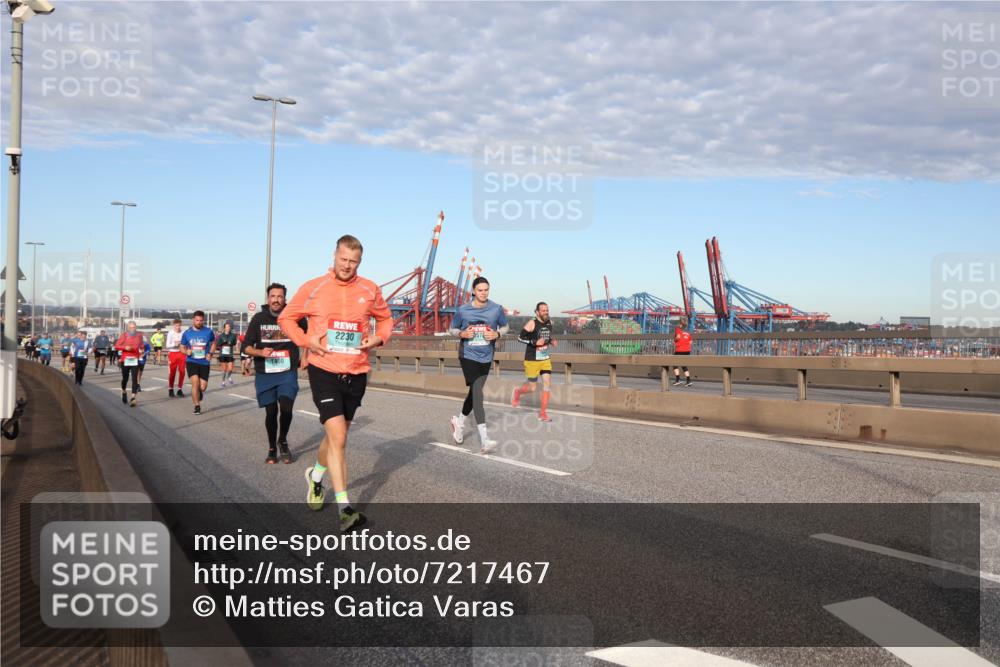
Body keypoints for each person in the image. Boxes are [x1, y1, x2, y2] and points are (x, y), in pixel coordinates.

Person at [278, 235, 392, 532]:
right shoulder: (314, 287)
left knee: (333, 438)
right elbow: (287, 318)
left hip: (356, 373)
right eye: (343, 259)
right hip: (323, 370)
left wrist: (378, 337)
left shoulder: (369, 289)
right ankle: (345, 509)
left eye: (353, 261)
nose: (347, 265)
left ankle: (315, 476)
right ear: (334, 256)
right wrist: (306, 340)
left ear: (360, 262)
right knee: (339, 437)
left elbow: (386, 320)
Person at [244, 283, 307, 464]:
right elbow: (246, 347)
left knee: (286, 408)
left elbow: (309, 337)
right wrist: (259, 352)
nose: (276, 300)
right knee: (271, 412)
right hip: (265, 372)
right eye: (273, 296)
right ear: (268, 299)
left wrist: (306, 355)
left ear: (284, 299)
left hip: (287, 371)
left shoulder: (295, 317)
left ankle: (283, 440)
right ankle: (272, 447)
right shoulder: (258, 319)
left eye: (280, 297)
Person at [448, 276, 509, 453]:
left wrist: (497, 334)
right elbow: (452, 328)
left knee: (473, 393)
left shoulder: (496, 309)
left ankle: (458, 422)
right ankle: (485, 440)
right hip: (468, 355)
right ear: (473, 291)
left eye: (486, 290)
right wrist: (462, 333)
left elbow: (505, 327)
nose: (483, 293)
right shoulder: (463, 310)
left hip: (486, 356)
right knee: (478, 393)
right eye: (480, 290)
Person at [512, 302, 557, 421]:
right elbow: (520, 338)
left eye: (547, 310)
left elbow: (546, 336)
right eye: (543, 310)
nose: (546, 312)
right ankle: (518, 392)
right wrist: (534, 342)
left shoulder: (549, 323)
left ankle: (543, 414)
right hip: (532, 360)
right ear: (537, 312)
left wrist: (551, 341)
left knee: (547, 384)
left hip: (545, 358)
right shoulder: (532, 323)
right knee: (532, 388)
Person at [180, 310, 216, 415]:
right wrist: (186, 351)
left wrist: (210, 353)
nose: (199, 322)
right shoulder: (187, 333)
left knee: (203, 387)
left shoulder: (208, 331)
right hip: (191, 361)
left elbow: (214, 343)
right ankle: (197, 406)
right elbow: (181, 347)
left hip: (204, 362)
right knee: (195, 383)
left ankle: (199, 392)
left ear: (203, 320)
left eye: (201, 320)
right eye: (197, 320)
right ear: (193, 320)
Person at [114, 321, 144, 407]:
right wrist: (125, 347)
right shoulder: (124, 335)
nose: (132, 329)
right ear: (128, 328)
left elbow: (141, 344)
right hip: (125, 359)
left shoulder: (139, 335)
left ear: (136, 327)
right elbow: (116, 346)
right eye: (131, 327)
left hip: (135, 359)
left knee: (135, 378)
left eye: (134, 327)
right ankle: (124, 391)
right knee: (125, 378)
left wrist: (142, 349)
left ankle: (133, 398)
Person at [165, 319, 185, 397]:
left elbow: (186, 342)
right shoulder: (170, 333)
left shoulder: (183, 333)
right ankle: (170, 388)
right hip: (173, 353)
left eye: (179, 325)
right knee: (172, 372)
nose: (178, 327)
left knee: (182, 371)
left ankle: (180, 389)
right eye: (176, 325)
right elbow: (167, 345)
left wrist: (182, 344)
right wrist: (175, 343)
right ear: (174, 326)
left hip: (181, 353)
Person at [216, 322, 238, 387]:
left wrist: (230, 344)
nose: (228, 328)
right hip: (222, 354)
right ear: (224, 328)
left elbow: (234, 343)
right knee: (224, 369)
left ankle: (229, 377)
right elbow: (218, 344)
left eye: (229, 327)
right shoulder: (221, 336)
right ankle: (223, 382)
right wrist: (223, 343)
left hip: (230, 354)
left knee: (230, 369)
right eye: (227, 327)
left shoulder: (233, 335)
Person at [673, 318, 692, 386]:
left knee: (675, 364)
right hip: (687, 350)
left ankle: (677, 380)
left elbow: (677, 337)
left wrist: (675, 340)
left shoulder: (678, 329)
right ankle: (688, 380)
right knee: (684, 365)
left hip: (679, 350)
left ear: (680, 324)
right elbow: (690, 342)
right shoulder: (687, 332)